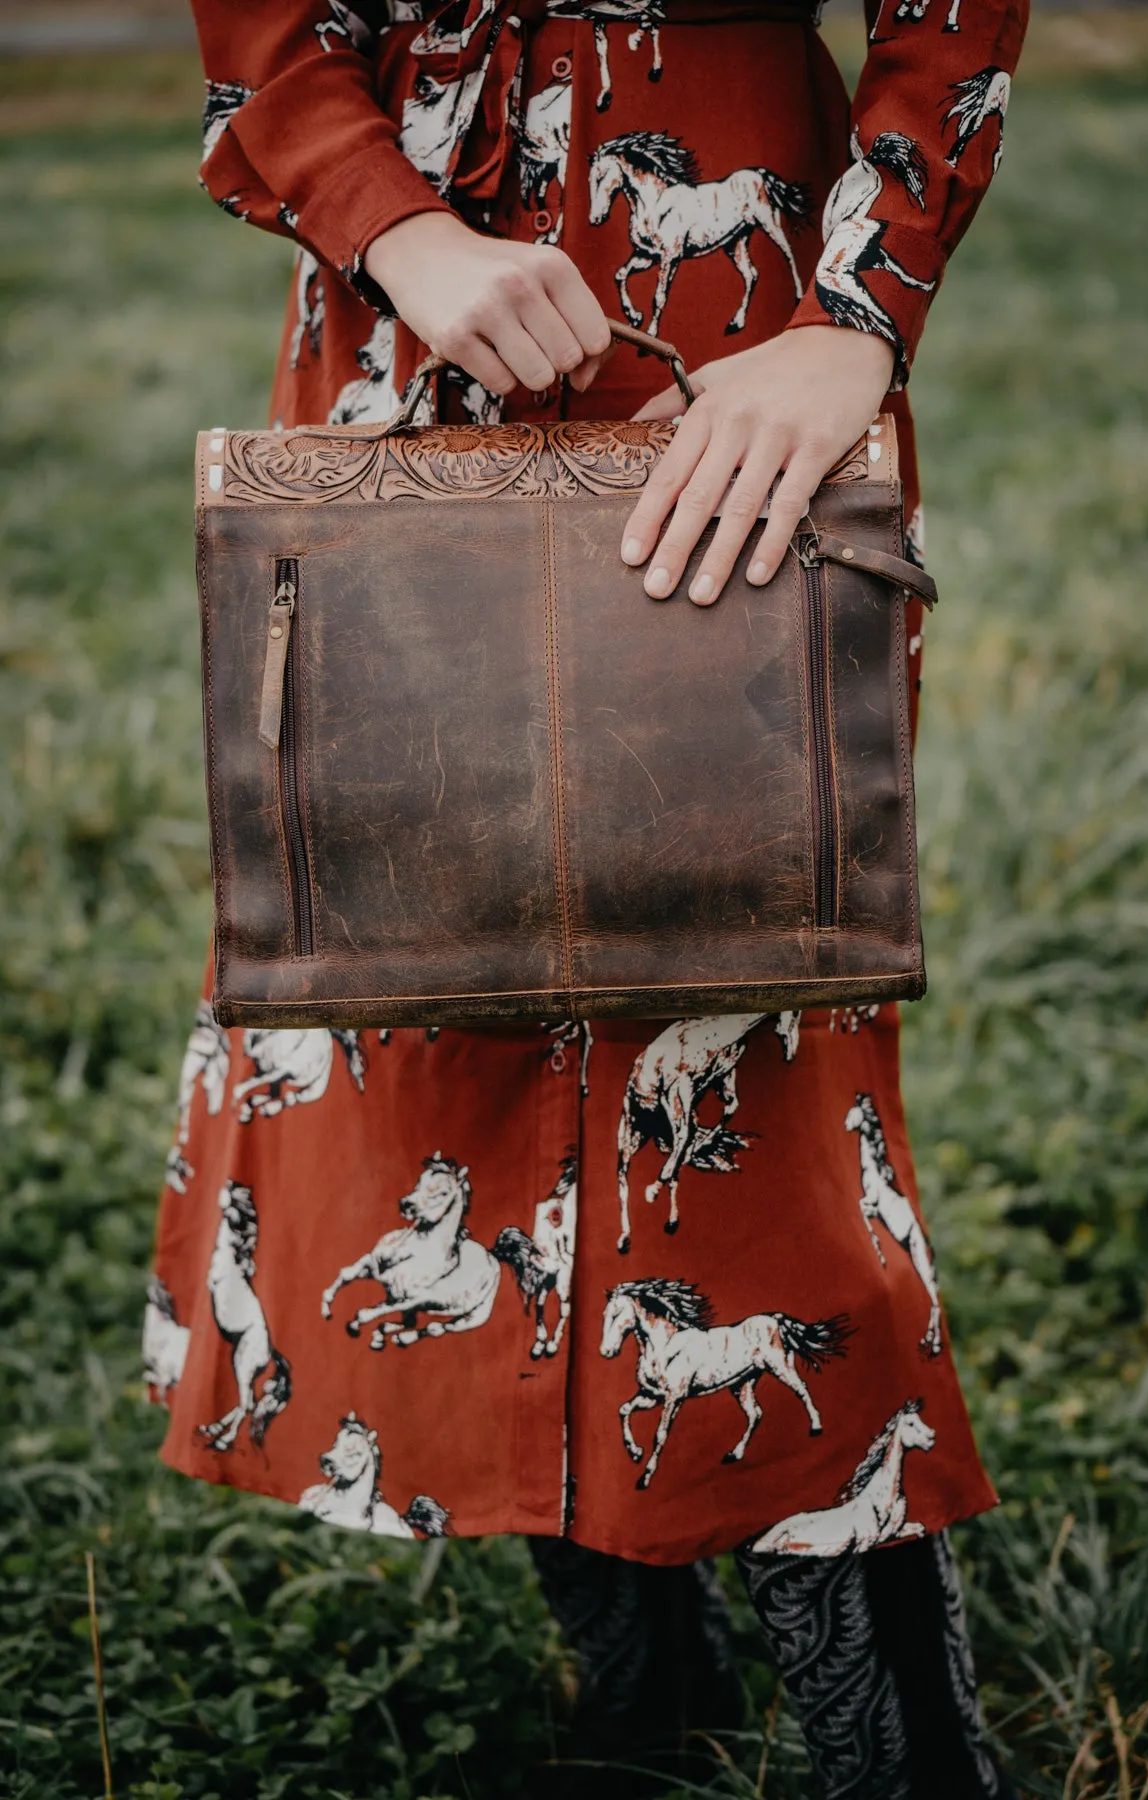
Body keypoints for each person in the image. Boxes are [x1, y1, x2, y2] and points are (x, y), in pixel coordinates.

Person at [146, 2, 1028, 1794]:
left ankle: (904, 1751)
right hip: (416, 312)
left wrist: (855, 316)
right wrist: (394, 223)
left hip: (733, 346)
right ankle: (643, 1682)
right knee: (435, 971)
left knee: (745, 1003)